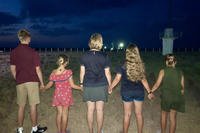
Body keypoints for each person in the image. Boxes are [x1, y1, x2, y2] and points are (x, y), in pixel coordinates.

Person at [108, 44, 154, 133]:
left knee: (127, 115)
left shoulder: (123, 65)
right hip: (139, 92)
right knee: (139, 114)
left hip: (127, 92)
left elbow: (117, 78)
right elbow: (144, 80)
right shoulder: (140, 65)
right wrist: (149, 91)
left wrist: (110, 87)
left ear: (127, 53)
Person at [10, 29, 47, 133]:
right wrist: (42, 83)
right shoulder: (33, 52)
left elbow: (13, 69)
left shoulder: (14, 52)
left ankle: (20, 129)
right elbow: (38, 70)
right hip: (32, 81)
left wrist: (18, 79)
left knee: (21, 106)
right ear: (28, 38)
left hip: (20, 81)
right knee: (33, 105)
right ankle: (34, 129)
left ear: (20, 38)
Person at [80, 33, 111, 133]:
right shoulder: (104, 56)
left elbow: (82, 72)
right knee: (99, 110)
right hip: (101, 85)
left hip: (88, 85)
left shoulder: (84, 55)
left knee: (90, 110)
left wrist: (81, 84)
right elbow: (108, 73)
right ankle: (99, 131)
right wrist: (110, 85)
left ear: (91, 42)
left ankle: (90, 131)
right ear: (100, 42)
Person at [43, 54, 82, 133]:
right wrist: (81, 88)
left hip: (57, 95)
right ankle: (63, 131)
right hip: (66, 95)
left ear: (58, 62)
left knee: (59, 113)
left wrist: (43, 88)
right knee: (65, 114)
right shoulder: (68, 72)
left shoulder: (53, 72)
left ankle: (59, 131)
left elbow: (49, 85)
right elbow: (72, 85)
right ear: (66, 62)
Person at [151, 54, 185, 133]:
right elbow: (182, 88)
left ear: (166, 62)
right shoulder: (180, 72)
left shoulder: (163, 71)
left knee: (164, 116)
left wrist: (150, 91)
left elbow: (157, 84)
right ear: (175, 62)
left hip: (166, 98)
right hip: (176, 98)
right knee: (173, 118)